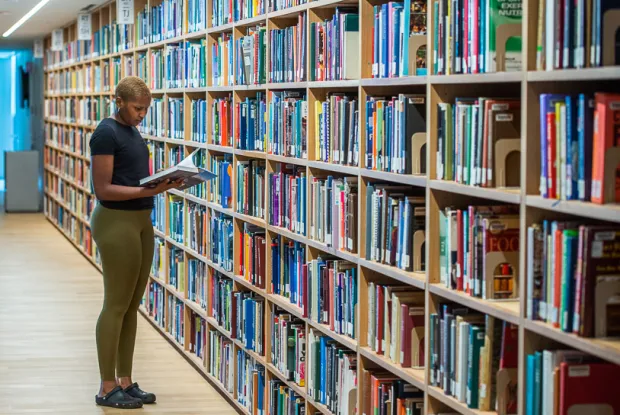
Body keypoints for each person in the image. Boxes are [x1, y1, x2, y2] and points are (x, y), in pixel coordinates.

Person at [89, 76, 182, 409]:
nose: (142, 114)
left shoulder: (131, 131)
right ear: (119, 101)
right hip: (116, 222)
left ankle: (125, 382)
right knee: (115, 304)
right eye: (137, 108)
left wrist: (167, 183)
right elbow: (104, 189)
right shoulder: (106, 133)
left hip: (141, 221)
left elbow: (133, 177)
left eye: (146, 109)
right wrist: (150, 190)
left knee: (131, 306)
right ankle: (106, 386)